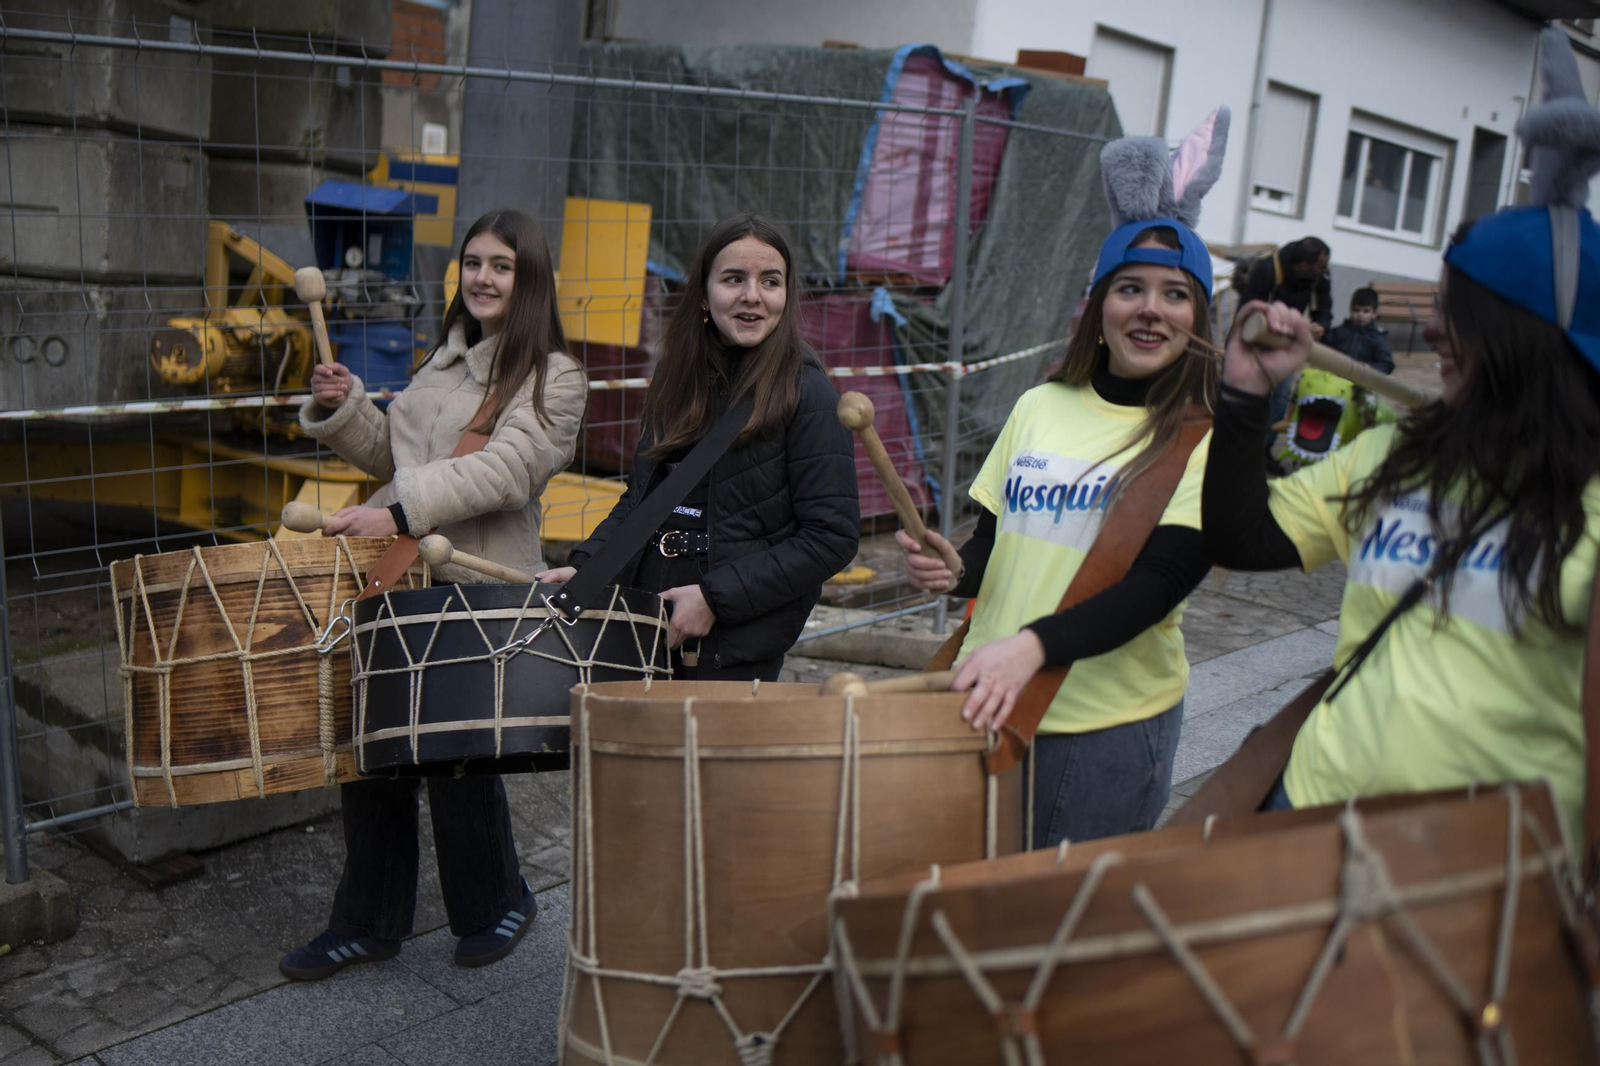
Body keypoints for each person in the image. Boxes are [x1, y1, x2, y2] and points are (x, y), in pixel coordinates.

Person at [1201, 26, 1600, 842]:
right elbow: (1241, 537)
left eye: (1459, 310)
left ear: (1521, 338)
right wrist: (1244, 395)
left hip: (1484, 883)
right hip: (1308, 826)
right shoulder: (1398, 453)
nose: (1437, 330)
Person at [899, 110, 1228, 848]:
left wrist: (1034, 646)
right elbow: (994, 546)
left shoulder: (1209, 440)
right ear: (1099, 304)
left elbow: (1155, 589)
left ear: (1200, 316)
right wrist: (954, 570)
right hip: (985, 696)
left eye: (1175, 294)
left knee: (1058, 914)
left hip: (1099, 729)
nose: (1150, 309)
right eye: (1130, 288)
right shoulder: (1039, 405)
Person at [278, 208, 588, 980]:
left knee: (457, 761)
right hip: (397, 571)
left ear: (529, 280)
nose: (483, 278)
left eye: (502, 266)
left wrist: (395, 513)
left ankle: (497, 903)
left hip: (473, 581)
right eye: (473, 262)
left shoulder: (554, 376)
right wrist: (348, 408)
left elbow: (504, 471)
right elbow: (399, 461)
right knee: (373, 755)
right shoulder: (443, 359)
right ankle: (368, 922)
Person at [537, 213, 859, 682]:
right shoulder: (676, 382)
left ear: (786, 296)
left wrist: (714, 598)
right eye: (733, 279)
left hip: (734, 645)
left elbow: (831, 538)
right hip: (643, 622)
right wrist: (590, 570)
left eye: (770, 281)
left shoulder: (810, 396)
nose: (752, 295)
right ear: (705, 294)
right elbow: (641, 501)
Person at [1240, 236, 1332, 455]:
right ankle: (1240, 446)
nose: (1326, 270)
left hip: (1287, 344)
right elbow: (1247, 311)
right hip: (1257, 339)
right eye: (1320, 266)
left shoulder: (1320, 276)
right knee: (1249, 395)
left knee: (1280, 397)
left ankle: (1263, 451)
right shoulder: (1268, 270)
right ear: (1304, 266)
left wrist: (1321, 325)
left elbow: (1323, 307)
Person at [1324, 287, 1395, 375]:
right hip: (1336, 376)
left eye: (1366, 311)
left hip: (1361, 379)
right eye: (1356, 310)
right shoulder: (1338, 332)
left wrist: (1371, 368)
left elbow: (1387, 364)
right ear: (1350, 310)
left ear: (1374, 313)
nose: (1360, 314)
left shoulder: (1377, 338)